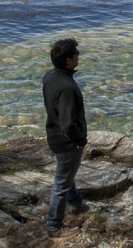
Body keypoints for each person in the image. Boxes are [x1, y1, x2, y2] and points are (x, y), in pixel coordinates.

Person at [43, 37, 88, 239]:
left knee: (67, 174)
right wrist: (79, 141)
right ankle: (54, 226)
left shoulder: (50, 77)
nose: (79, 57)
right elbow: (68, 124)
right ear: (69, 60)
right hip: (67, 142)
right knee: (61, 183)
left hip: (54, 136)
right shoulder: (67, 86)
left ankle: (77, 203)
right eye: (77, 54)